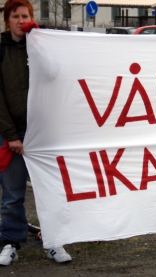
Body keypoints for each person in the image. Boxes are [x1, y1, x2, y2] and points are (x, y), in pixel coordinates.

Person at [0, 0, 72, 265]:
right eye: (15, 16)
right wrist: (11, 135)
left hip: (43, 134)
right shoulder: (1, 50)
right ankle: (10, 240)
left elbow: (55, 74)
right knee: (12, 194)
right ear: (7, 21)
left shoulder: (40, 46)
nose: (21, 21)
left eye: (25, 16)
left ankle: (53, 240)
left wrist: (40, 43)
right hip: (12, 133)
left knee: (50, 190)